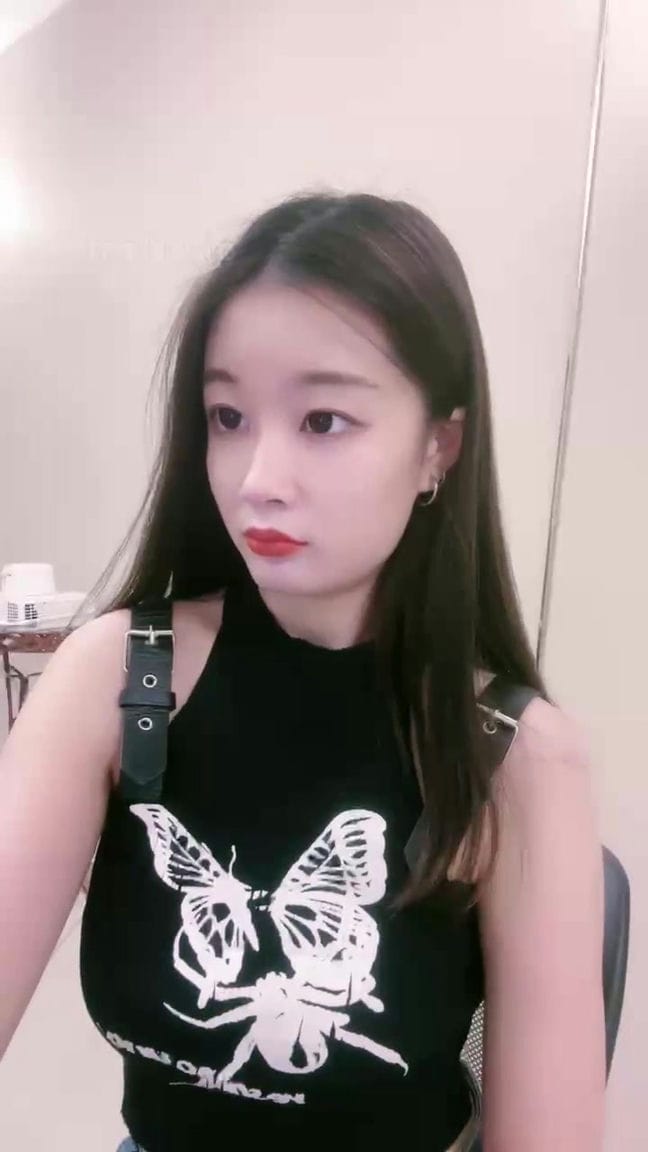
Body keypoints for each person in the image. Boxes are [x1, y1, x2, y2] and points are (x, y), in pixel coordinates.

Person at [0, 192, 605, 1152]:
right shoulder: (117, 679)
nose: (256, 479)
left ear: (437, 446)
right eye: (228, 416)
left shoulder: (516, 757)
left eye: (323, 419)